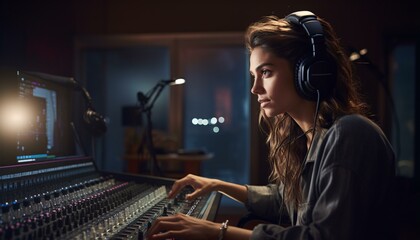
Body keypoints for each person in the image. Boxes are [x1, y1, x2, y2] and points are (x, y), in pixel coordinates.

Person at [147, 10, 396, 240]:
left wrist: (218, 231)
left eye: (266, 72)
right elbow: (286, 200)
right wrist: (217, 185)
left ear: (309, 73)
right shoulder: (309, 138)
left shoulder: (350, 134)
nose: (255, 89)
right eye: (254, 76)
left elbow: (323, 236)